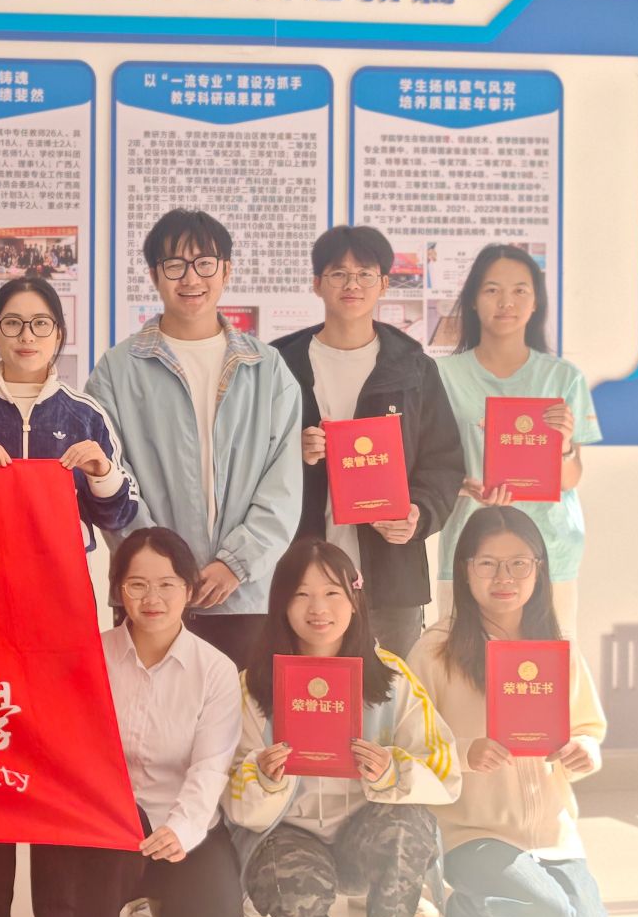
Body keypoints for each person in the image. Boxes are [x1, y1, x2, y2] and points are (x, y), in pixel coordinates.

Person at [0, 277, 141, 917]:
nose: (27, 337)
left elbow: (120, 511)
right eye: (14, 323)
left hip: (61, 605)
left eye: (41, 324)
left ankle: (59, 909)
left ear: (59, 336)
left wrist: (100, 469)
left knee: (55, 753)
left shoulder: (83, 414)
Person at [226, 538, 461, 917]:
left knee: (409, 825)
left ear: (355, 599)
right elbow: (234, 798)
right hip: (289, 834)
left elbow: (445, 771)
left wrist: (391, 771)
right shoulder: (253, 686)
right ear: (281, 605)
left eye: (332, 593)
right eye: (301, 594)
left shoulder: (391, 677)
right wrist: (264, 778)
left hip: (364, 833)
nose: (319, 609)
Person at [408, 508, 622, 917]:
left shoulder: (557, 648)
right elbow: (408, 745)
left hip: (554, 835)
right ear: (465, 569)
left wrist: (585, 749)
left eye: (519, 563)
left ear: (539, 569)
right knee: (547, 913)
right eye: (488, 564)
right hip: (473, 836)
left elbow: (588, 727)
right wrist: (465, 752)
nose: (504, 577)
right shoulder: (435, 649)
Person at [86, 209, 302, 670]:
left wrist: (236, 563)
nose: (191, 278)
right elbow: (107, 481)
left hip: (242, 595)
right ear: (154, 275)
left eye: (204, 263)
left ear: (226, 271)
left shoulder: (267, 369)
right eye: (174, 265)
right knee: (142, 712)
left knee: (241, 714)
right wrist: (160, 573)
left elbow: (283, 483)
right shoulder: (116, 371)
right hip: (148, 596)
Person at [56, 527, 244, 917]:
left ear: (189, 589)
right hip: (107, 821)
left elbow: (210, 766)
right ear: (119, 590)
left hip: (181, 821)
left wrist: (181, 829)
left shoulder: (215, 670)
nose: (152, 598)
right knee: (116, 834)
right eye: (137, 584)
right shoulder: (91, 657)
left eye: (167, 584)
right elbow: (72, 750)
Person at [271, 225, 464, 658]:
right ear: (316, 283)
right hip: (300, 571)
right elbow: (246, 456)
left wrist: (418, 514)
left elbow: (444, 463)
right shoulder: (280, 364)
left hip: (391, 576)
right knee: (301, 688)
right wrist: (291, 452)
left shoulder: (413, 368)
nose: (352, 284)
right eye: (338, 274)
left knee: (391, 690)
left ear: (384, 284)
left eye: (365, 274)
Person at [434, 244, 600, 637]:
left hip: (547, 549)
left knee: (544, 667)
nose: (506, 302)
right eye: (492, 290)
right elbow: (427, 463)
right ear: (472, 300)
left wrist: (563, 446)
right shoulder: (441, 375)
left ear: (536, 301)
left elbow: (570, 479)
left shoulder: (563, 378)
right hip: (470, 548)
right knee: (463, 662)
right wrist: (458, 484)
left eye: (520, 290)